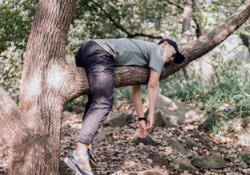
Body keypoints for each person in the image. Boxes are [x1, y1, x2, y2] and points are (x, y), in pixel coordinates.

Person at [64, 38, 185, 175]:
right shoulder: (158, 51)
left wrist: (141, 119)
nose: (172, 59)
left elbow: (136, 91)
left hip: (86, 49)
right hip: (100, 52)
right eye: (173, 53)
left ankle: (86, 149)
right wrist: (151, 113)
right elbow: (153, 84)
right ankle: (79, 155)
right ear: (164, 44)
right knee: (103, 102)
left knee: (94, 101)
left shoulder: (143, 54)